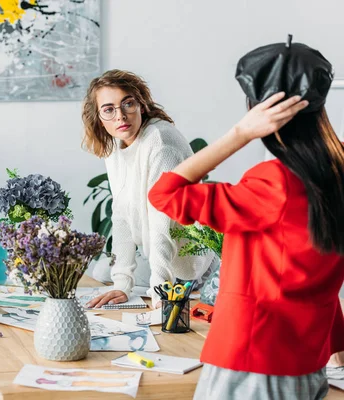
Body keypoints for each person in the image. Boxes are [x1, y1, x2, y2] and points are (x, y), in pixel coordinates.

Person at [149, 38, 344, 399]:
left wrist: (240, 133)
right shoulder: (336, 175)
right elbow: (324, 281)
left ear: (260, 112)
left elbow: (165, 193)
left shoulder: (274, 184)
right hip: (306, 364)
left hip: (253, 361)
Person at [81, 69, 215, 308]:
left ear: (141, 105)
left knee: (102, 272)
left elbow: (162, 221)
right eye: (109, 109)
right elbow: (120, 213)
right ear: (99, 117)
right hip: (158, 252)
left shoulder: (160, 142)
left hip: (190, 263)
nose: (120, 116)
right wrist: (122, 284)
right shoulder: (115, 144)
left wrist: (160, 290)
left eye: (127, 104)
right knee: (106, 272)